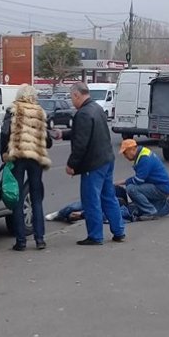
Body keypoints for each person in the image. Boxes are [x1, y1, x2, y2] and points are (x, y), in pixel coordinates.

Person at [57, 82, 125, 245]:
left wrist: (71, 164)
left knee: (91, 200)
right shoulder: (97, 108)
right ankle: (119, 231)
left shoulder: (83, 113)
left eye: (71, 97)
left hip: (93, 164)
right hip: (107, 160)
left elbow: (81, 143)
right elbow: (83, 132)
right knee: (109, 197)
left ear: (76, 95)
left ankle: (95, 236)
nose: (71, 101)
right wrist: (63, 134)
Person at [0, 85, 52, 250]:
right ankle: (40, 239)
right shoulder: (39, 112)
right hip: (35, 158)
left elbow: (4, 132)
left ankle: (21, 241)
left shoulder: (13, 110)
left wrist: (4, 152)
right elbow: (47, 139)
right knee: (36, 198)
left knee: (18, 197)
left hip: (18, 156)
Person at [115, 139, 169, 220]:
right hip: (160, 186)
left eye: (125, 153)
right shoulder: (143, 153)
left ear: (132, 149)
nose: (125, 156)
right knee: (143, 207)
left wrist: (120, 182)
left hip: (160, 188)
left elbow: (138, 180)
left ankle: (150, 212)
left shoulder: (144, 159)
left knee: (131, 189)